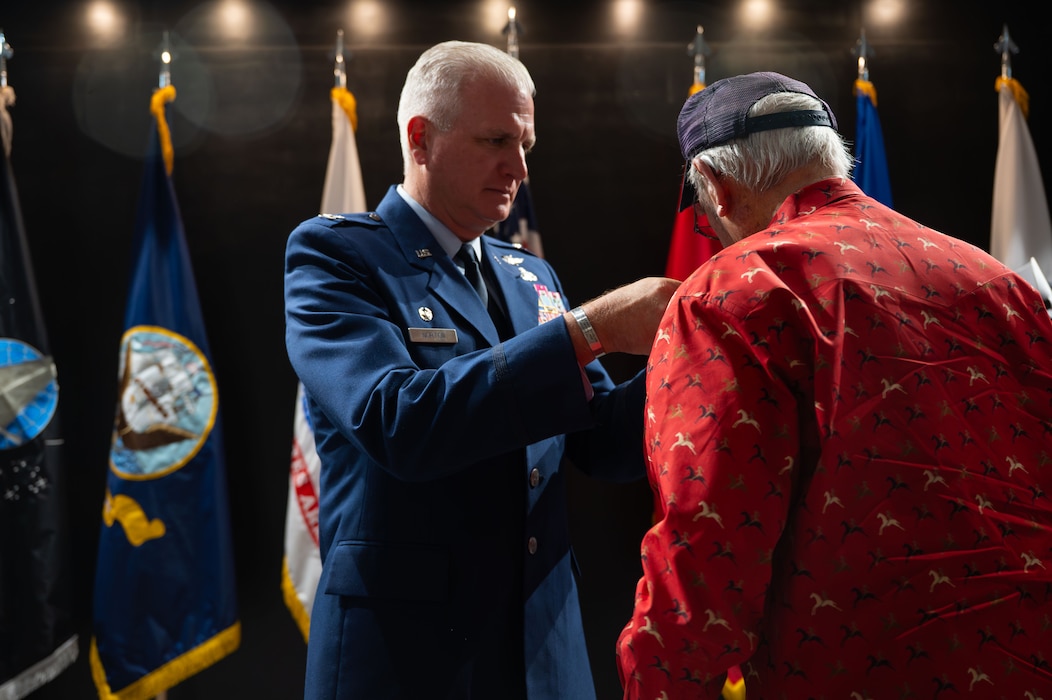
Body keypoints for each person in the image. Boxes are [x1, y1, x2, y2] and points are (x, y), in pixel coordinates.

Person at [616, 70, 1052, 698]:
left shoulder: (738, 289)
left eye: (707, 224)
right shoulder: (998, 282)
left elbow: (705, 552)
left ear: (715, 187)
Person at [284, 40, 678, 700]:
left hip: (542, 645)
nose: (519, 167)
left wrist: (692, 351)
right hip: (408, 656)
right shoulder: (336, 256)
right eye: (497, 140)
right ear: (421, 139)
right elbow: (398, 422)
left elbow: (604, 443)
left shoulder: (531, 275)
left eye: (526, 144)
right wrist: (594, 329)